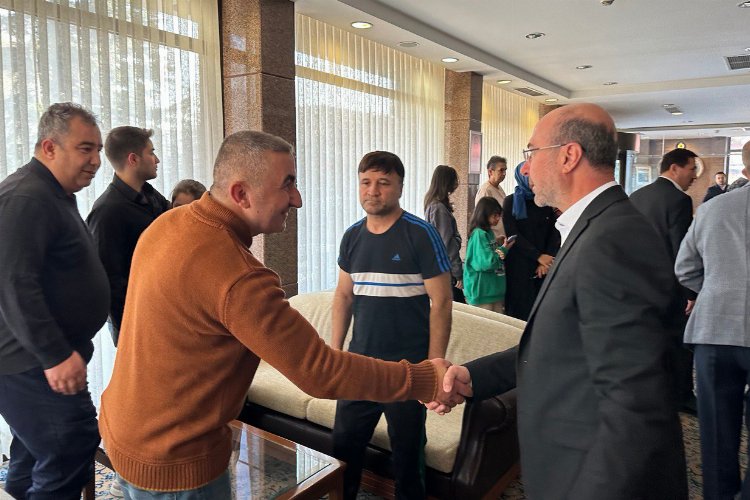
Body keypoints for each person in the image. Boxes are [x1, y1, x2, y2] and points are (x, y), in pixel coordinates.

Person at [99, 132, 456, 499]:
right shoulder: (238, 274)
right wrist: (426, 379)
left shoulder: (167, 224)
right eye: (287, 184)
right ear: (241, 193)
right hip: (175, 462)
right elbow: (320, 371)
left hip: (122, 429)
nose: (297, 199)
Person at [430, 103, 687, 500]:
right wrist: (473, 377)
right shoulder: (593, 227)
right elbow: (560, 345)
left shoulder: (615, 240)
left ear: (569, 156)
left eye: (531, 152)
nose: (526, 166)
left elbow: (634, 407)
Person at [0, 102, 110, 499]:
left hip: (42, 357)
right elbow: (13, 283)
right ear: (49, 147)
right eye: (85, 149)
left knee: (35, 452)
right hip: (30, 361)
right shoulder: (26, 197)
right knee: (71, 444)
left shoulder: (53, 193)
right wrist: (55, 355)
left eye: (98, 149)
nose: (96, 160)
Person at [332, 151, 453, 500]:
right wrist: (335, 352)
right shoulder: (352, 237)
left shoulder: (421, 234)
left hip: (408, 369)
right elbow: (343, 296)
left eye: (383, 183)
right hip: (359, 366)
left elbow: (442, 301)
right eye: (366, 182)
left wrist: (434, 365)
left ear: (400, 187)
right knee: (343, 450)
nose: (373, 190)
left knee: (407, 457)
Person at [675, 160, 750, 500]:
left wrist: (716, 291)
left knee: (716, 434)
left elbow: (685, 268)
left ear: (745, 169)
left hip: (713, 329)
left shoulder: (712, 208)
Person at [629, 148, 698, 414]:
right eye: (692, 169)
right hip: (669, 286)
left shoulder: (637, 195)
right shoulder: (679, 200)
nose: (694, 175)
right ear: (674, 168)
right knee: (678, 342)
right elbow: (682, 250)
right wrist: (690, 292)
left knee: (646, 338)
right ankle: (681, 395)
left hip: (638, 282)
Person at [87, 126, 170, 346]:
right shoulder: (107, 211)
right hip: (136, 327)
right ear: (133, 159)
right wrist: (131, 332)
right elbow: (109, 281)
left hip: (161, 313)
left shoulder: (149, 194)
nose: (157, 160)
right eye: (151, 153)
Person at [502, 161, 560, 321]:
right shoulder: (510, 201)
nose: (534, 179)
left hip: (542, 267)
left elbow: (554, 232)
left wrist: (546, 260)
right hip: (518, 265)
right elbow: (513, 234)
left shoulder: (544, 201)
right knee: (518, 313)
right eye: (529, 175)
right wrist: (538, 256)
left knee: (540, 313)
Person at [463, 197, 513, 312]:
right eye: (495, 215)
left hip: (492, 291)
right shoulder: (479, 234)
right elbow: (487, 263)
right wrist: (504, 249)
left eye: (499, 216)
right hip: (483, 294)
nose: (498, 219)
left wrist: (497, 244)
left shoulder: (488, 233)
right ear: (484, 214)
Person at [424, 164, 465, 302]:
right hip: (447, 270)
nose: (455, 185)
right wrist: (457, 273)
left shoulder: (431, 203)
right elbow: (447, 244)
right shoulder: (439, 208)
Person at [475, 155, 508, 241]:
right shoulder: (485, 190)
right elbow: (481, 219)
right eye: (501, 170)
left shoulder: (499, 188)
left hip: (501, 238)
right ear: (490, 172)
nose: (504, 173)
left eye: (505, 170)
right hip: (492, 240)